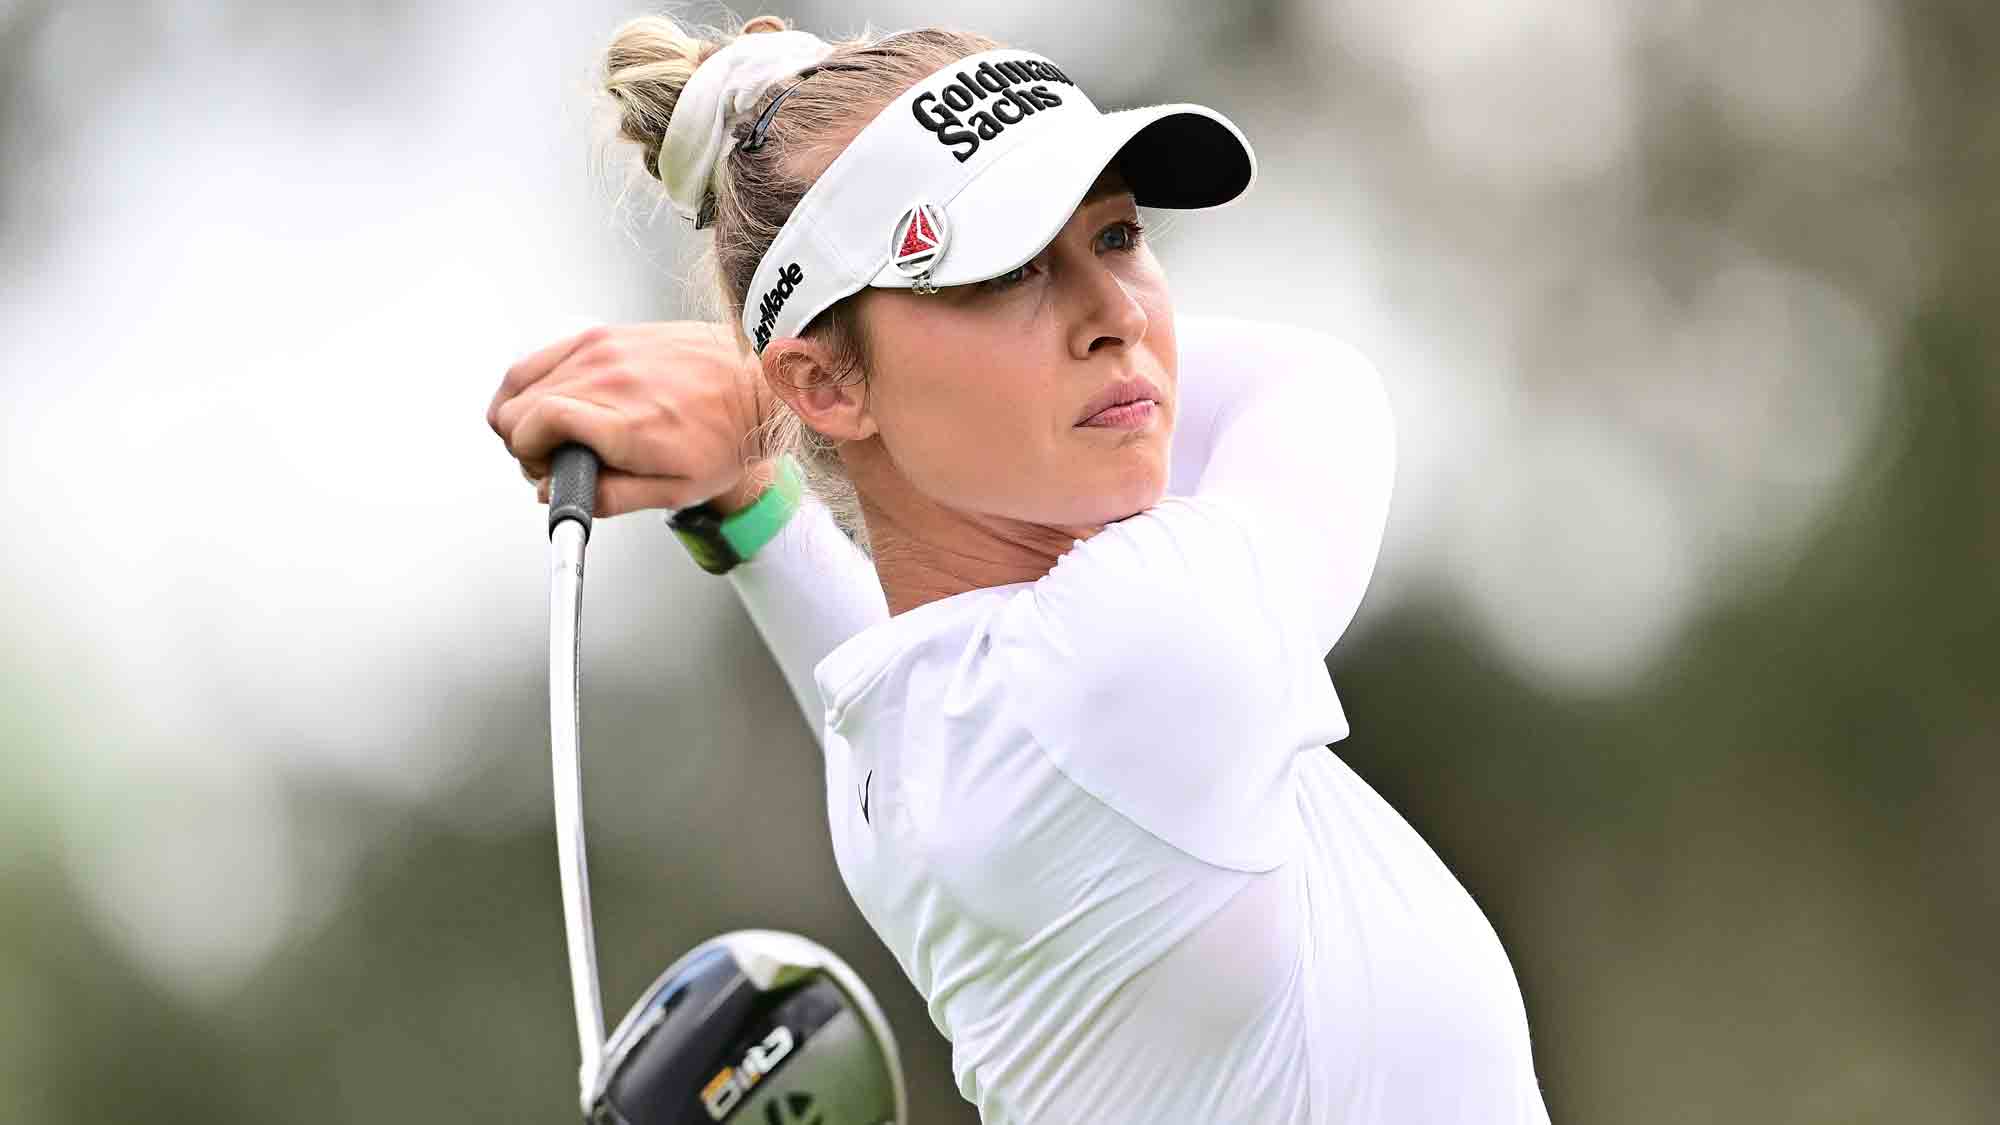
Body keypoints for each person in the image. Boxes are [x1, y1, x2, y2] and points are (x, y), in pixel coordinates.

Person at [488, 13, 1552, 1124]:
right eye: (1004, 269)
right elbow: (1319, 391)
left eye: (1116, 237)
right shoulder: (1141, 653)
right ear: (821, 385)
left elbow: (891, 676)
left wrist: (760, 493)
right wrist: (752, 399)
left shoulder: (903, 751)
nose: (1117, 317)